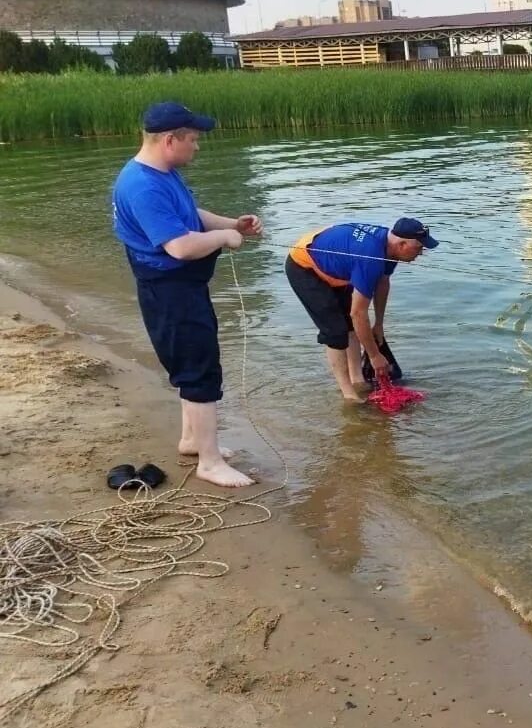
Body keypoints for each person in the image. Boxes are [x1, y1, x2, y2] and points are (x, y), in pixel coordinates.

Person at [111, 102, 261, 489]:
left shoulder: (161, 174)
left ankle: (193, 440)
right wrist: (225, 239)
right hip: (169, 291)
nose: (197, 146)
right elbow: (179, 245)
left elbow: (187, 213)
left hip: (182, 288)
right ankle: (209, 463)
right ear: (169, 139)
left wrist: (232, 223)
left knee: (194, 362)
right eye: (192, 139)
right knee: (199, 368)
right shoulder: (141, 185)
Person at [286, 218, 438, 400]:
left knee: (351, 325)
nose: (420, 253)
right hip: (304, 265)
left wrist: (379, 324)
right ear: (401, 244)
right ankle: (348, 394)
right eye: (419, 248)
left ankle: (357, 379)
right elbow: (358, 313)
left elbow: (382, 282)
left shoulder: (388, 249)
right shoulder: (370, 258)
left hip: (339, 263)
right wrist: (374, 356)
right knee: (335, 331)